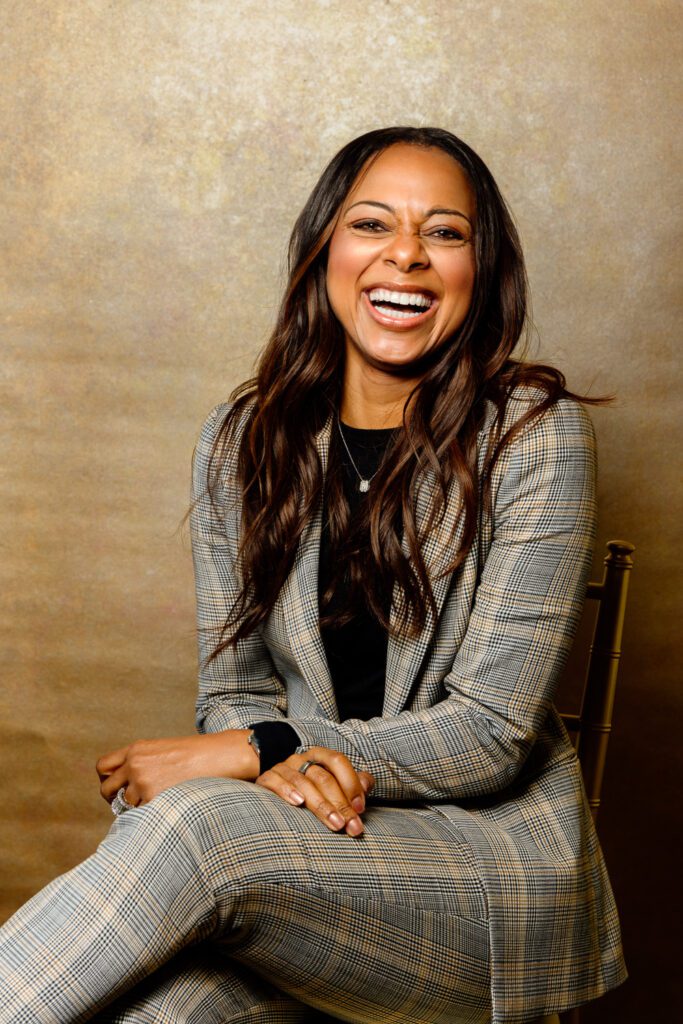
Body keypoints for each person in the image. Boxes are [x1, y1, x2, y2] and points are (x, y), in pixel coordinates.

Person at [0, 127, 626, 1024]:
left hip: (474, 890)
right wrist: (280, 764)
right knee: (163, 1011)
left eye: (444, 233)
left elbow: (490, 735)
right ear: (324, 249)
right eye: (372, 223)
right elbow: (234, 687)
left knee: (191, 822)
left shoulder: (532, 434)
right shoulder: (243, 441)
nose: (405, 253)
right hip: (300, 852)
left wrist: (266, 750)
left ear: (480, 271)